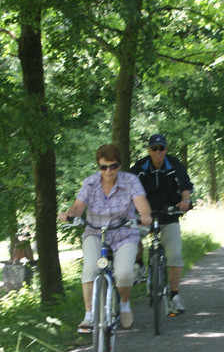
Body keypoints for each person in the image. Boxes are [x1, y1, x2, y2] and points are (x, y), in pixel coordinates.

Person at [61, 144, 152, 332]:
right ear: (99, 166)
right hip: (95, 232)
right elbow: (78, 206)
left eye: (113, 166)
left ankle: (124, 305)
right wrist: (70, 214)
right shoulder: (90, 183)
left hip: (124, 232)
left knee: (123, 273)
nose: (108, 171)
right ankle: (89, 316)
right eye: (103, 167)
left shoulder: (131, 181)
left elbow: (141, 203)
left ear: (119, 165)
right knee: (90, 268)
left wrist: (145, 215)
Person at [133, 134, 194, 314]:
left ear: (166, 149)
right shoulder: (141, 166)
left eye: (161, 148)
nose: (158, 152)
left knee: (174, 255)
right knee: (131, 237)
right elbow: (127, 185)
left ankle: (174, 296)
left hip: (169, 215)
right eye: (154, 149)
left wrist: (185, 201)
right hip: (144, 216)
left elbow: (185, 185)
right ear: (149, 150)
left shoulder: (174, 164)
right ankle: (139, 265)